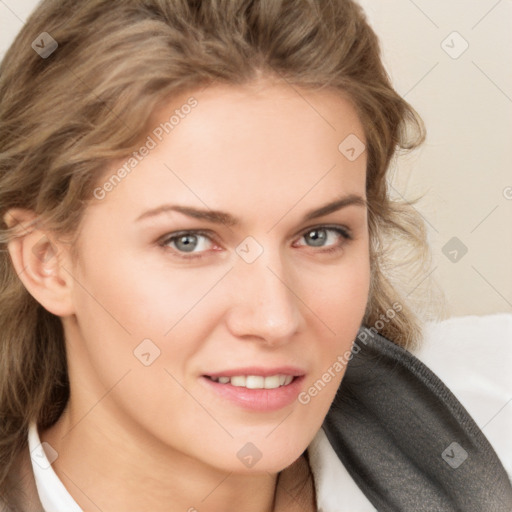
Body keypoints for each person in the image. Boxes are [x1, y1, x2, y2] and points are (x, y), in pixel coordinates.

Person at [0, 0, 510, 511]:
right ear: (47, 261)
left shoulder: (491, 416)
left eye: (320, 235)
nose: (275, 319)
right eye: (190, 241)